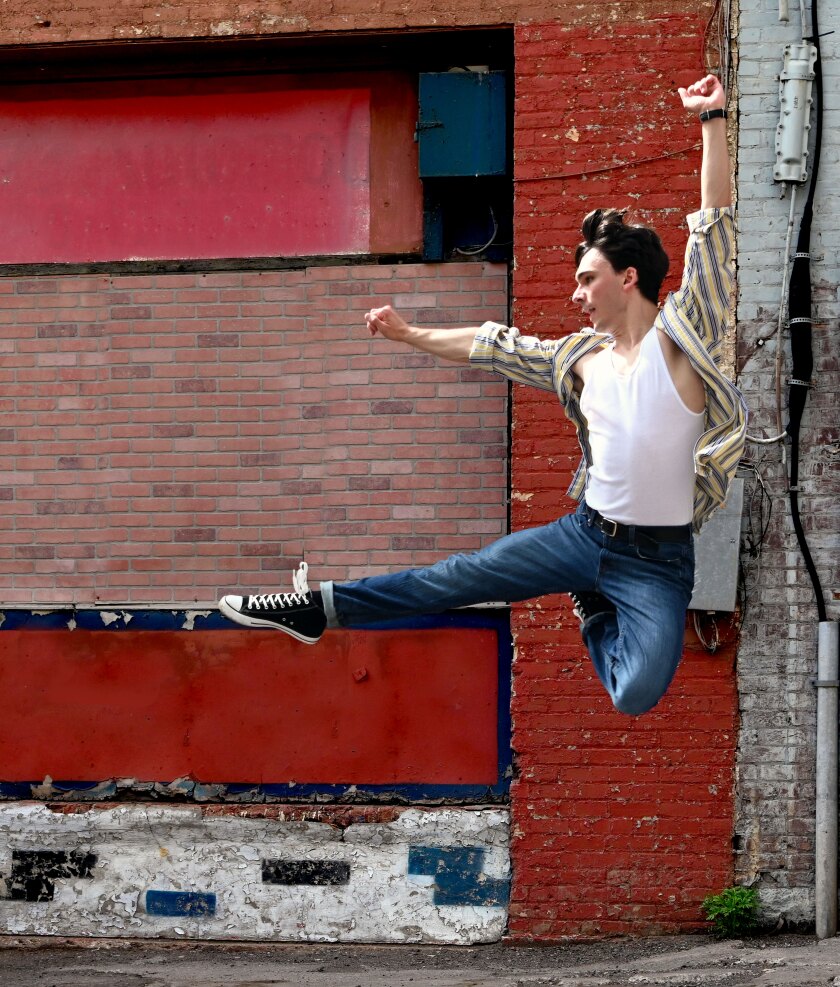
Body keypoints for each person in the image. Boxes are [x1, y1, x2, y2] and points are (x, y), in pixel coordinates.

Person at [219, 75, 748, 716]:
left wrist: (712, 118)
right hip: (583, 536)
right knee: (454, 579)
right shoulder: (578, 361)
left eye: (587, 279)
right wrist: (409, 333)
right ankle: (317, 606)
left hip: (657, 561)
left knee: (635, 693)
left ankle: (591, 604)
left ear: (628, 277)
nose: (576, 294)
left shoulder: (681, 342)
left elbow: (715, 233)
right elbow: (494, 345)